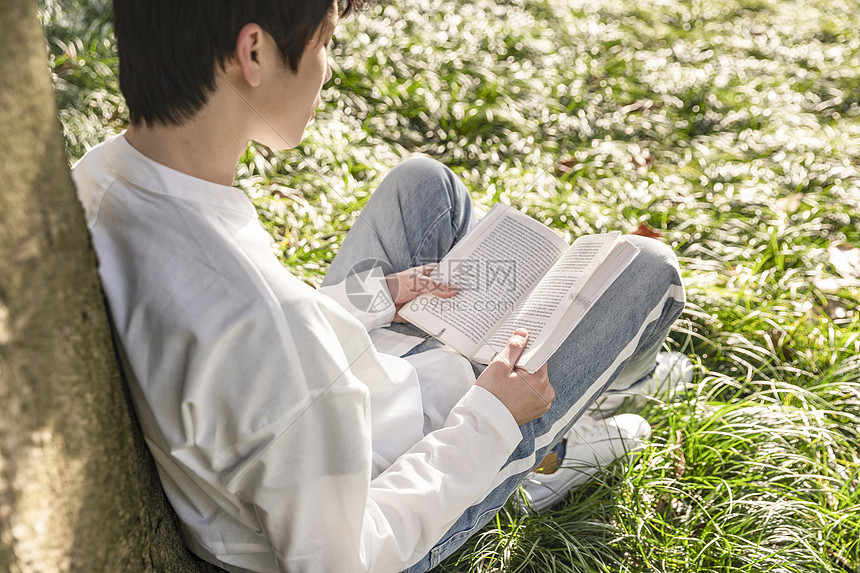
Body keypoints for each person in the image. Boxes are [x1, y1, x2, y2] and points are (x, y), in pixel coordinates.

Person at [70, 0, 687, 571]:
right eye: (324, 44)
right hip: (396, 487)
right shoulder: (265, 323)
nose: (327, 71)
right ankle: (546, 449)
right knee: (649, 272)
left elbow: (253, 371)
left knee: (426, 187)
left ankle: (577, 395)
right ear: (253, 53)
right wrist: (493, 420)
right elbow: (347, 556)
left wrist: (373, 299)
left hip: (339, 402)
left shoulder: (99, 179)